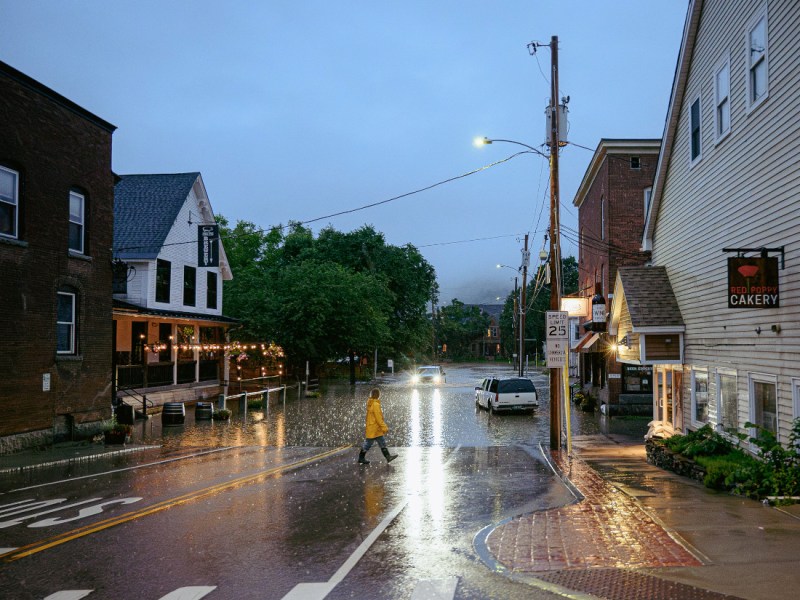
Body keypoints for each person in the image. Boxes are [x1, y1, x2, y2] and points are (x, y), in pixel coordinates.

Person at [358, 387, 398, 464]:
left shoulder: (371, 403)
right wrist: (384, 427)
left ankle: (388, 457)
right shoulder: (375, 404)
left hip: (374, 428)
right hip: (374, 428)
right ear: (378, 395)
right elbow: (378, 418)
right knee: (368, 444)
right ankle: (361, 458)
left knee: (382, 442)